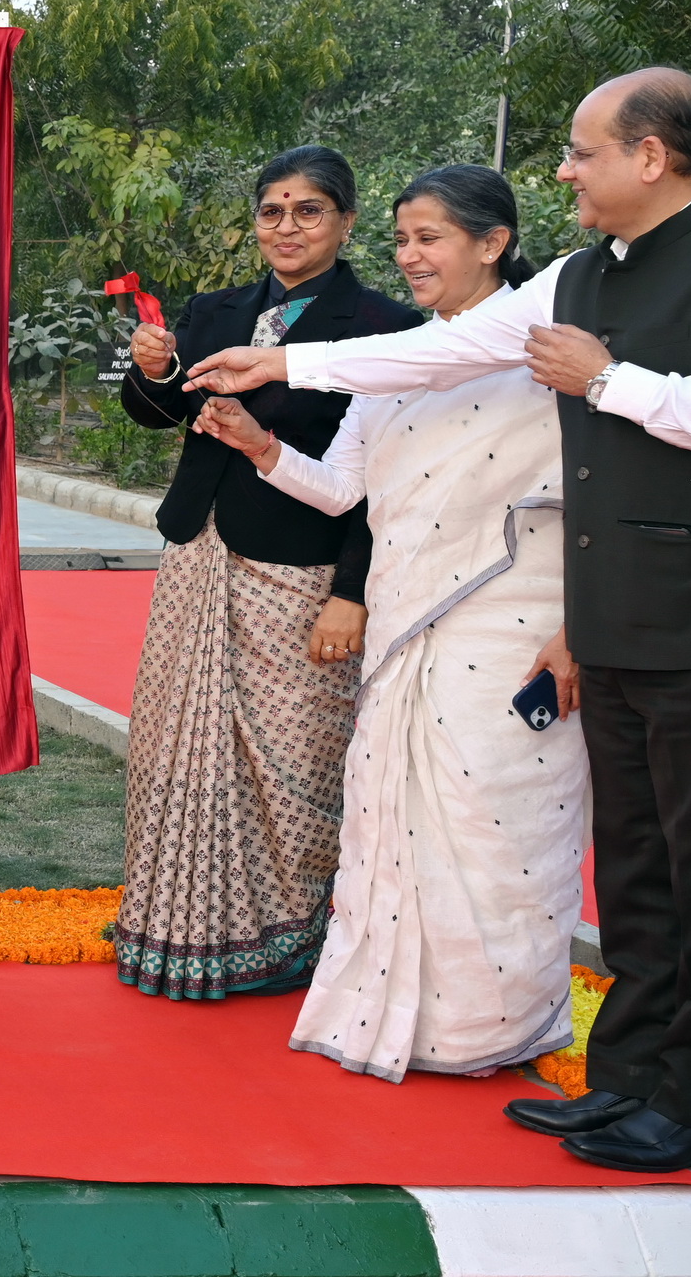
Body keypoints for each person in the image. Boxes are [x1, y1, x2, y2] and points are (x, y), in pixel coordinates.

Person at [194, 69, 691, 1173]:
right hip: (613, 614)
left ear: (649, 157)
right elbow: (441, 352)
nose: (566, 170)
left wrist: (612, 381)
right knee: (634, 872)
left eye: (581, 152)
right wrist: (286, 362)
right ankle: (626, 1083)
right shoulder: (577, 273)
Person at [191, 165, 585, 1080]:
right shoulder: (395, 361)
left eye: (431, 238)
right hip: (410, 623)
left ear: (492, 244)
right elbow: (344, 489)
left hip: (510, 622)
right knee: (391, 817)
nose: (409, 257)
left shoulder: (544, 350)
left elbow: (589, 499)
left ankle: (494, 1026)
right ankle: (394, 1018)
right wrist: (260, 448)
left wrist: (581, 630)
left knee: (493, 825)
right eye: (403, 240)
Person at [110, 144, 421, 1000]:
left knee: (296, 760)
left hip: (304, 568)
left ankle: (289, 934)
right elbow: (163, 411)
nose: (287, 227)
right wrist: (151, 372)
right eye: (272, 211)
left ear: (348, 221)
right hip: (198, 553)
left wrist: (352, 593)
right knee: (178, 744)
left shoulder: (386, 328)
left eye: (308, 210)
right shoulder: (216, 311)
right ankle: (179, 924)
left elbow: (381, 484)